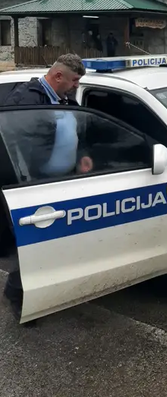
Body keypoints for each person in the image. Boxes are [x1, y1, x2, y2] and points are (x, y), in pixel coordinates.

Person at [2, 54, 92, 324]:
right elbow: (15, 147)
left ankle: (45, 291)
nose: (77, 86)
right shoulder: (25, 100)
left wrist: (82, 156)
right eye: (74, 80)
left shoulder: (64, 98)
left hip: (64, 181)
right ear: (58, 76)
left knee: (57, 240)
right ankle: (19, 296)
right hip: (36, 185)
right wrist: (30, 183)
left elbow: (77, 132)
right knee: (36, 243)